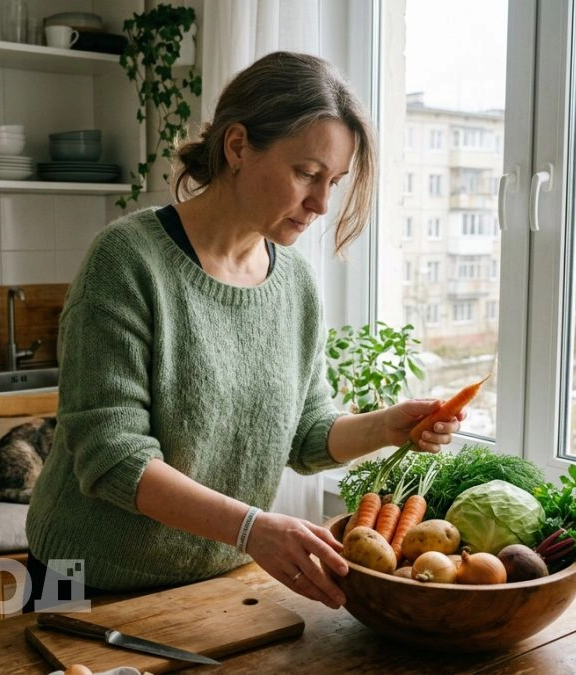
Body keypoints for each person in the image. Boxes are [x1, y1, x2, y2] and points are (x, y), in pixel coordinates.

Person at [25, 51, 461, 611]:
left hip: (221, 575)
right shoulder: (126, 261)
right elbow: (112, 457)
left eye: (333, 181)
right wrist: (252, 528)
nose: (321, 204)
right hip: (84, 577)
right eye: (306, 173)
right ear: (237, 147)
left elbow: (306, 433)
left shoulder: (295, 282)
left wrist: (387, 427)